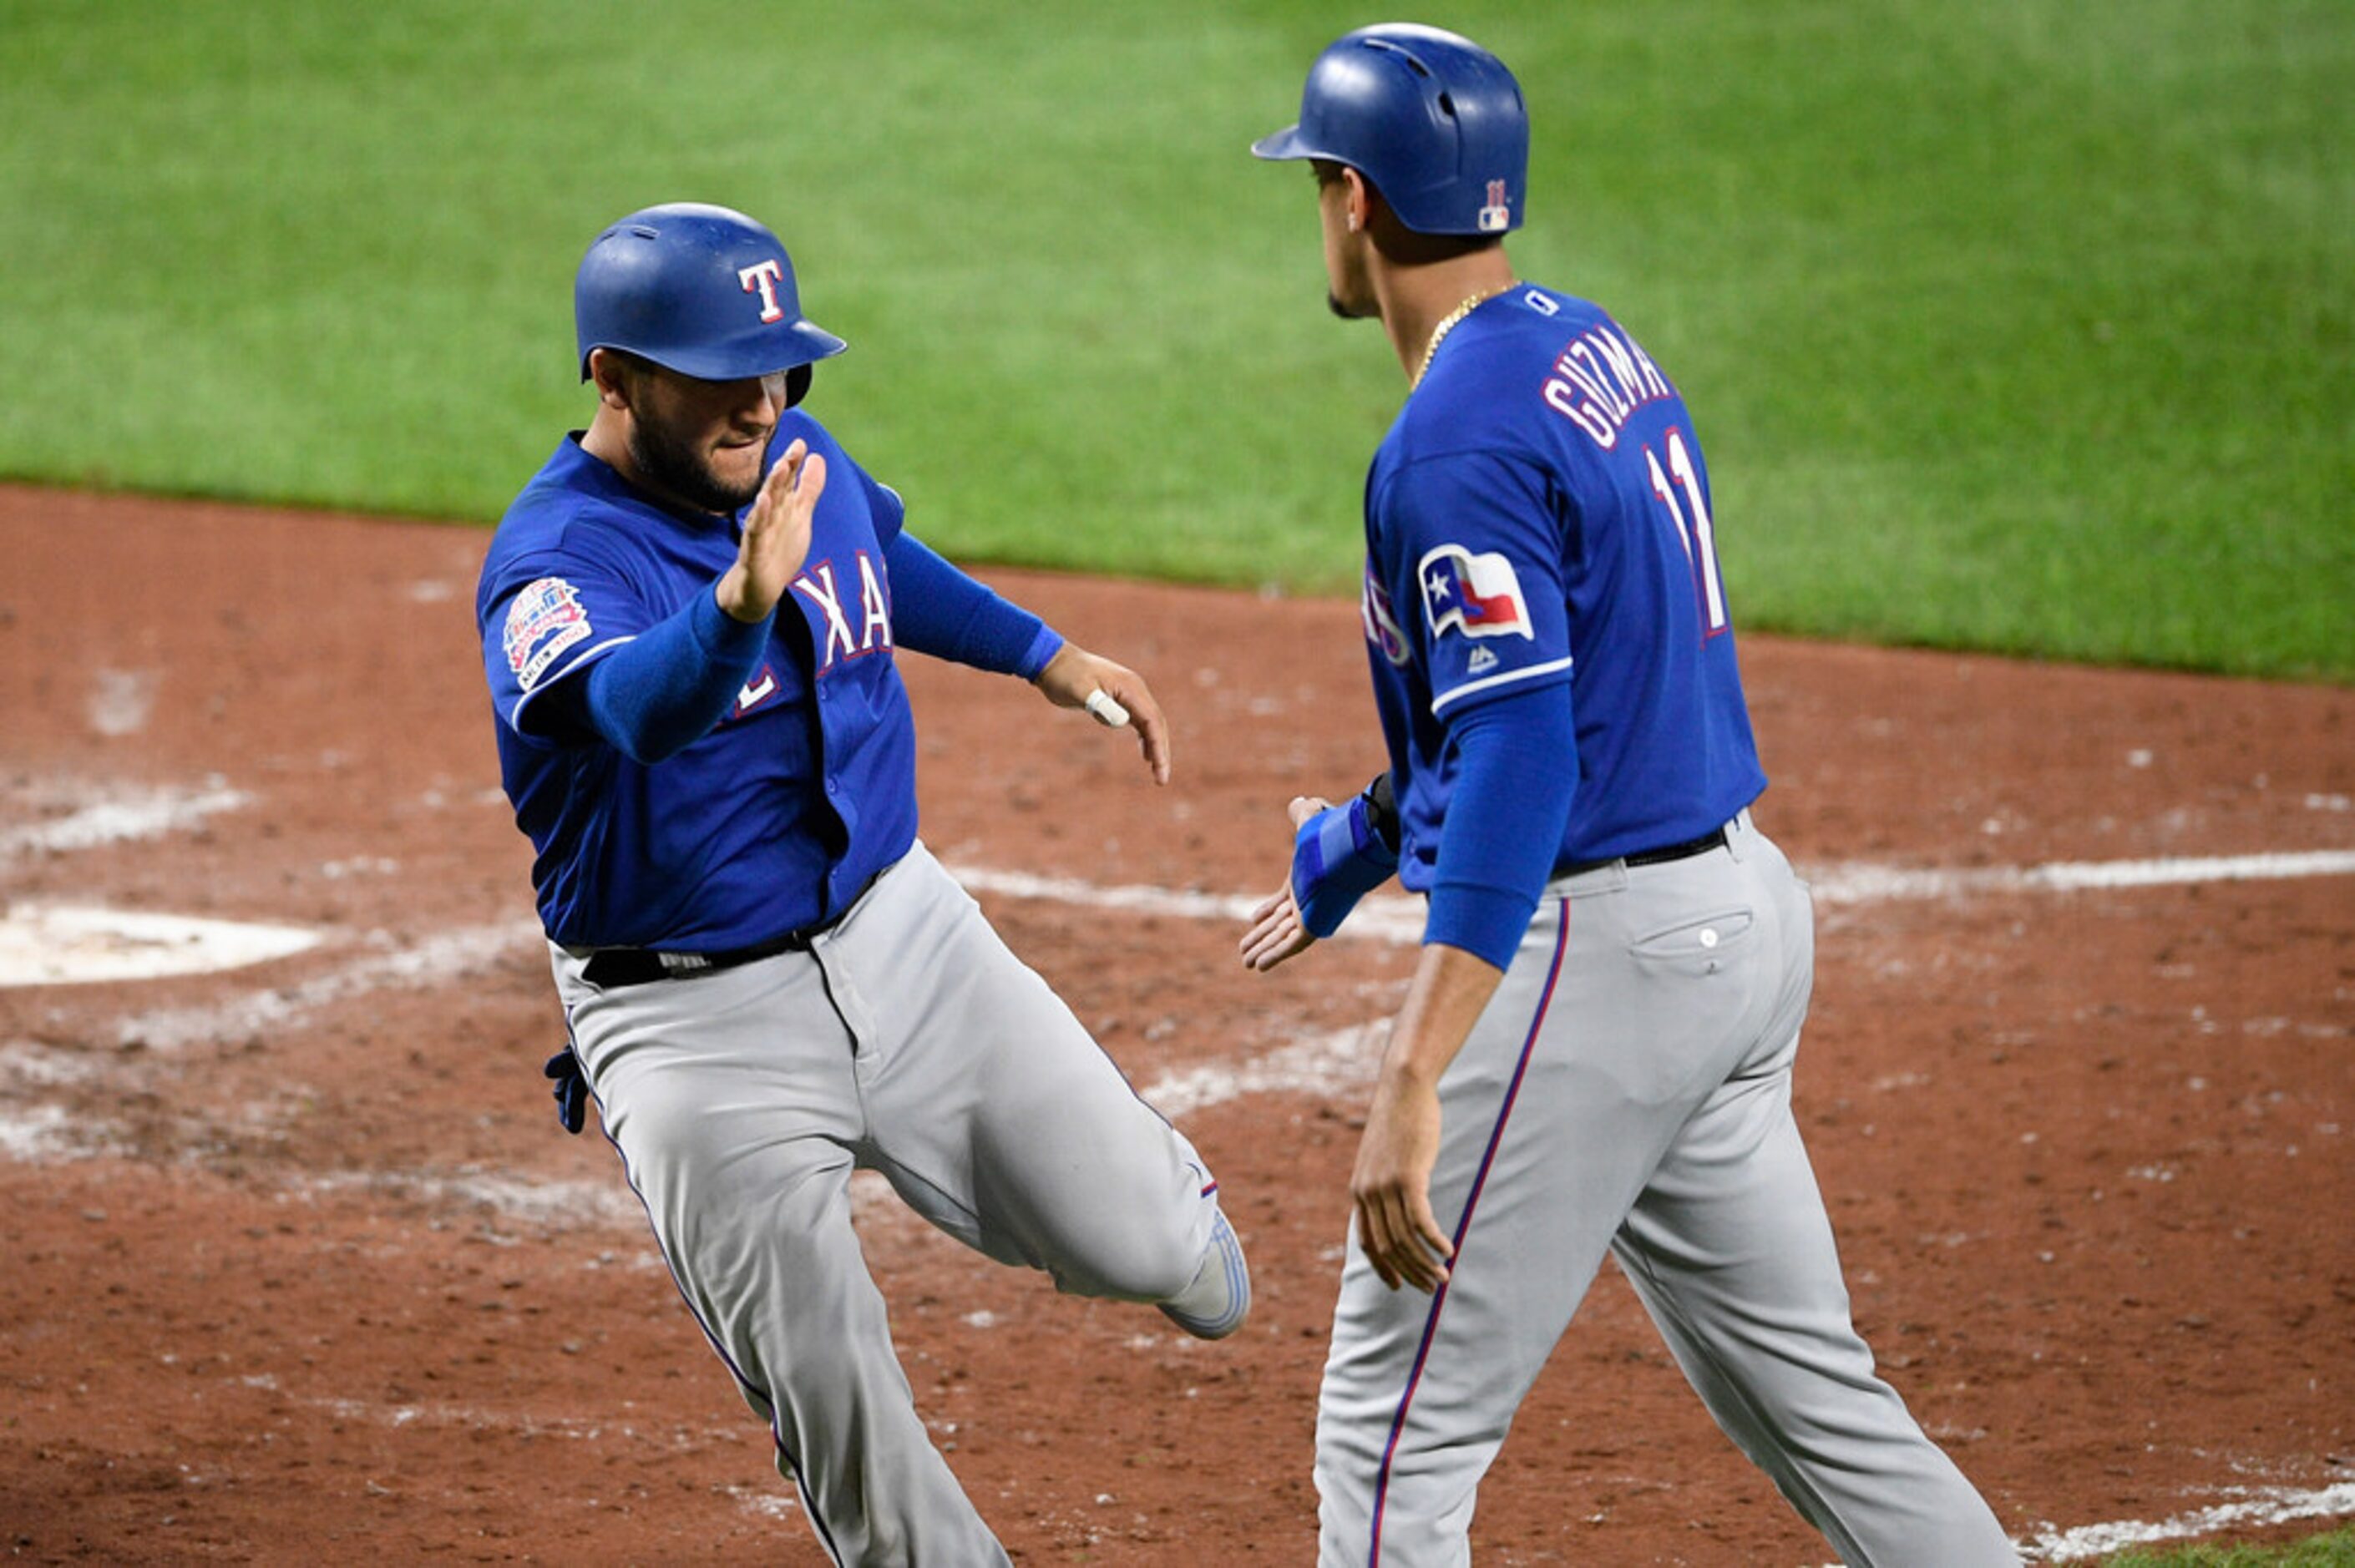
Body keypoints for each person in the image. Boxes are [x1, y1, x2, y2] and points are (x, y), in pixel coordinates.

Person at [1243, 28, 2016, 1566]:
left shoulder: (1447, 443)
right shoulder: (1588, 345)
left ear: (1351, 197)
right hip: (1736, 924)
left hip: (1602, 964)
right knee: (1825, 1408)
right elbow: (1577, 678)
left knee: (1390, 1456)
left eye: (1314, 183)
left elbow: (1531, 751)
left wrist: (1412, 1069)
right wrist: (1370, 833)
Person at [475, 201, 1248, 1566]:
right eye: (720, 374)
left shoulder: (787, 454)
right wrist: (732, 616)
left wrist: (1046, 654)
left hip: (904, 931)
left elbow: (876, 558)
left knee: (1162, 1251)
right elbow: (635, 712)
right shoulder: (551, 562)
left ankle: (1160, 1220)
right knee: (834, 1389)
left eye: (778, 370)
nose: (760, 402)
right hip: (693, 1029)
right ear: (613, 373)